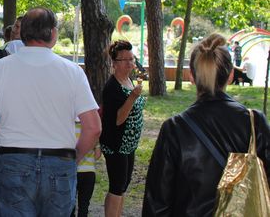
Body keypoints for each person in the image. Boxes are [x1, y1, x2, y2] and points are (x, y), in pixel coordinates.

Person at [0, 7, 101, 216]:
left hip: (13, 161)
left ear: (22, 34)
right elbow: (93, 128)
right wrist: (74, 158)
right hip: (60, 163)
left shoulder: (0, 69)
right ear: (53, 34)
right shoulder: (73, 71)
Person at [143, 34, 270, 216]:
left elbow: (157, 203)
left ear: (191, 76)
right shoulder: (254, 122)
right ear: (231, 75)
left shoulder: (174, 128)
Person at [100, 40, 146, 217]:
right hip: (116, 144)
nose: (130, 63)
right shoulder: (112, 87)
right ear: (114, 63)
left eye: (131, 59)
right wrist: (132, 98)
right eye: (124, 60)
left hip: (129, 145)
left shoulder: (129, 80)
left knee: (123, 185)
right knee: (117, 186)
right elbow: (118, 120)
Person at [71, 119, 100, 217]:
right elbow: (97, 155)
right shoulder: (92, 133)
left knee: (71, 205)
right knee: (84, 206)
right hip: (89, 173)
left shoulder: (70, 131)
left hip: (73, 173)